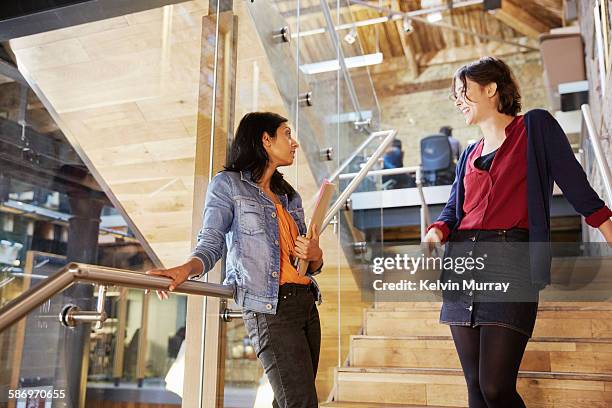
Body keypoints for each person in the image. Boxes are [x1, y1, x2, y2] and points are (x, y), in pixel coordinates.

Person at [424, 57, 612, 408]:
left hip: (511, 262)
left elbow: (575, 184)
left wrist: (607, 227)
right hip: (462, 265)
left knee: (495, 386)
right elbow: (453, 209)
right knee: (475, 388)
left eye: (462, 91)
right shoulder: (468, 153)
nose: (457, 100)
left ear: (491, 88)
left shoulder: (535, 127)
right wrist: (436, 230)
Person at [146, 112, 324, 408]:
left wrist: (315, 256)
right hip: (270, 309)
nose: (294, 143)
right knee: (301, 403)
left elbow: (305, 262)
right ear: (265, 140)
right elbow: (211, 244)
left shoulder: (289, 195)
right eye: (287, 134)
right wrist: (186, 269)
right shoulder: (227, 185)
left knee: (290, 401)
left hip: (305, 302)